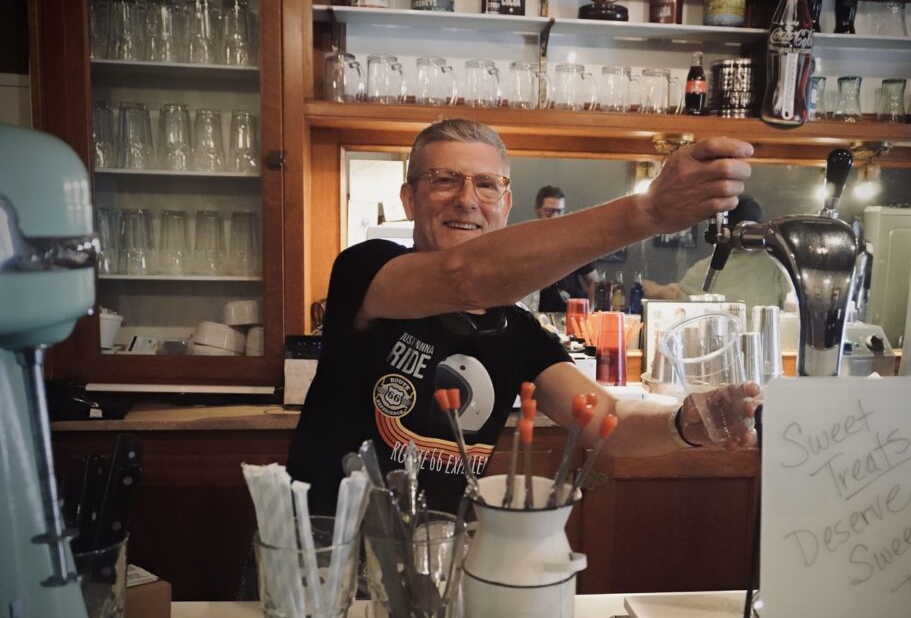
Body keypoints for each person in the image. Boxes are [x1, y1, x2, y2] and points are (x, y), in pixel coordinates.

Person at [288, 118, 759, 516]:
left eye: (487, 184)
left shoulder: (519, 332)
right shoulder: (366, 269)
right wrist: (647, 212)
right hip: (322, 553)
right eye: (445, 180)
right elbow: (464, 277)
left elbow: (606, 418)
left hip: (433, 560)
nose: (468, 200)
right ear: (410, 199)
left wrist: (683, 423)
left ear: (507, 205)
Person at [643, 195, 793, 308]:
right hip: (762, 344)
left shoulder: (702, 269)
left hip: (717, 342)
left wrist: (651, 288)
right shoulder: (777, 264)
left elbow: (676, 293)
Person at [534, 185, 598, 312]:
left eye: (560, 211)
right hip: (538, 316)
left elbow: (594, 281)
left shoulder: (574, 243)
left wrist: (589, 311)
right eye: (549, 212)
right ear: (537, 210)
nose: (555, 217)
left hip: (571, 315)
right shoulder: (527, 243)